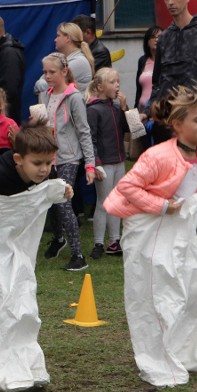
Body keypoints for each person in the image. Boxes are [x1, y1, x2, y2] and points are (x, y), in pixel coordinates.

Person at [104, 84, 197, 387]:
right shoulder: (157, 156)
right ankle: (157, 360)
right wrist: (163, 205)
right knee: (156, 297)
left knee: (194, 292)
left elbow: (188, 187)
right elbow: (127, 187)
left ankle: (184, 352)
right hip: (150, 232)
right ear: (178, 124)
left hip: (181, 235)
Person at [0, 121, 74, 392]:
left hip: (20, 245)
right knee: (1, 295)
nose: (44, 169)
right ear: (18, 160)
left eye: (48, 163)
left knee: (24, 296)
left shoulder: (47, 174)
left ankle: (29, 364)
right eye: (37, 163)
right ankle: (6, 368)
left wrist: (64, 190)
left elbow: (53, 186)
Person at [150, 0, 197, 261]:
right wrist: (153, 107)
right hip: (168, 119)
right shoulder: (165, 37)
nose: (170, 2)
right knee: (169, 178)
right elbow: (157, 80)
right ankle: (171, 231)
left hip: (196, 119)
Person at [38, 52, 96, 271]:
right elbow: (45, 124)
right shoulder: (46, 95)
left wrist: (89, 164)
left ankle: (79, 255)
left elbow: (84, 131)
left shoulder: (74, 97)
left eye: (52, 72)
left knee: (63, 202)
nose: (47, 76)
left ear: (64, 71)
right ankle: (59, 239)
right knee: (51, 202)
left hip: (68, 158)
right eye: (45, 72)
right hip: (48, 158)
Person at [85, 67, 130, 259]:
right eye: (112, 82)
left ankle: (115, 241)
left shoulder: (117, 108)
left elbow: (132, 130)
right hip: (104, 163)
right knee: (103, 203)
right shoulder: (93, 109)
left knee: (116, 201)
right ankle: (98, 243)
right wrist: (96, 162)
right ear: (100, 86)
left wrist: (126, 108)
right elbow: (90, 139)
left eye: (118, 81)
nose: (117, 85)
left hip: (119, 161)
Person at [34, 22, 95, 96]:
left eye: (58, 36)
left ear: (68, 38)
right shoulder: (68, 60)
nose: (55, 40)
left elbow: (49, 85)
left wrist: (40, 83)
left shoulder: (78, 62)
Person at [130, 25, 162, 159]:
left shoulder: (166, 61)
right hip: (141, 110)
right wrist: (135, 109)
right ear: (147, 41)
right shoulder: (143, 60)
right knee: (141, 151)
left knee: (155, 149)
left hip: (157, 111)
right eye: (153, 37)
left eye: (160, 37)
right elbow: (139, 88)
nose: (156, 40)